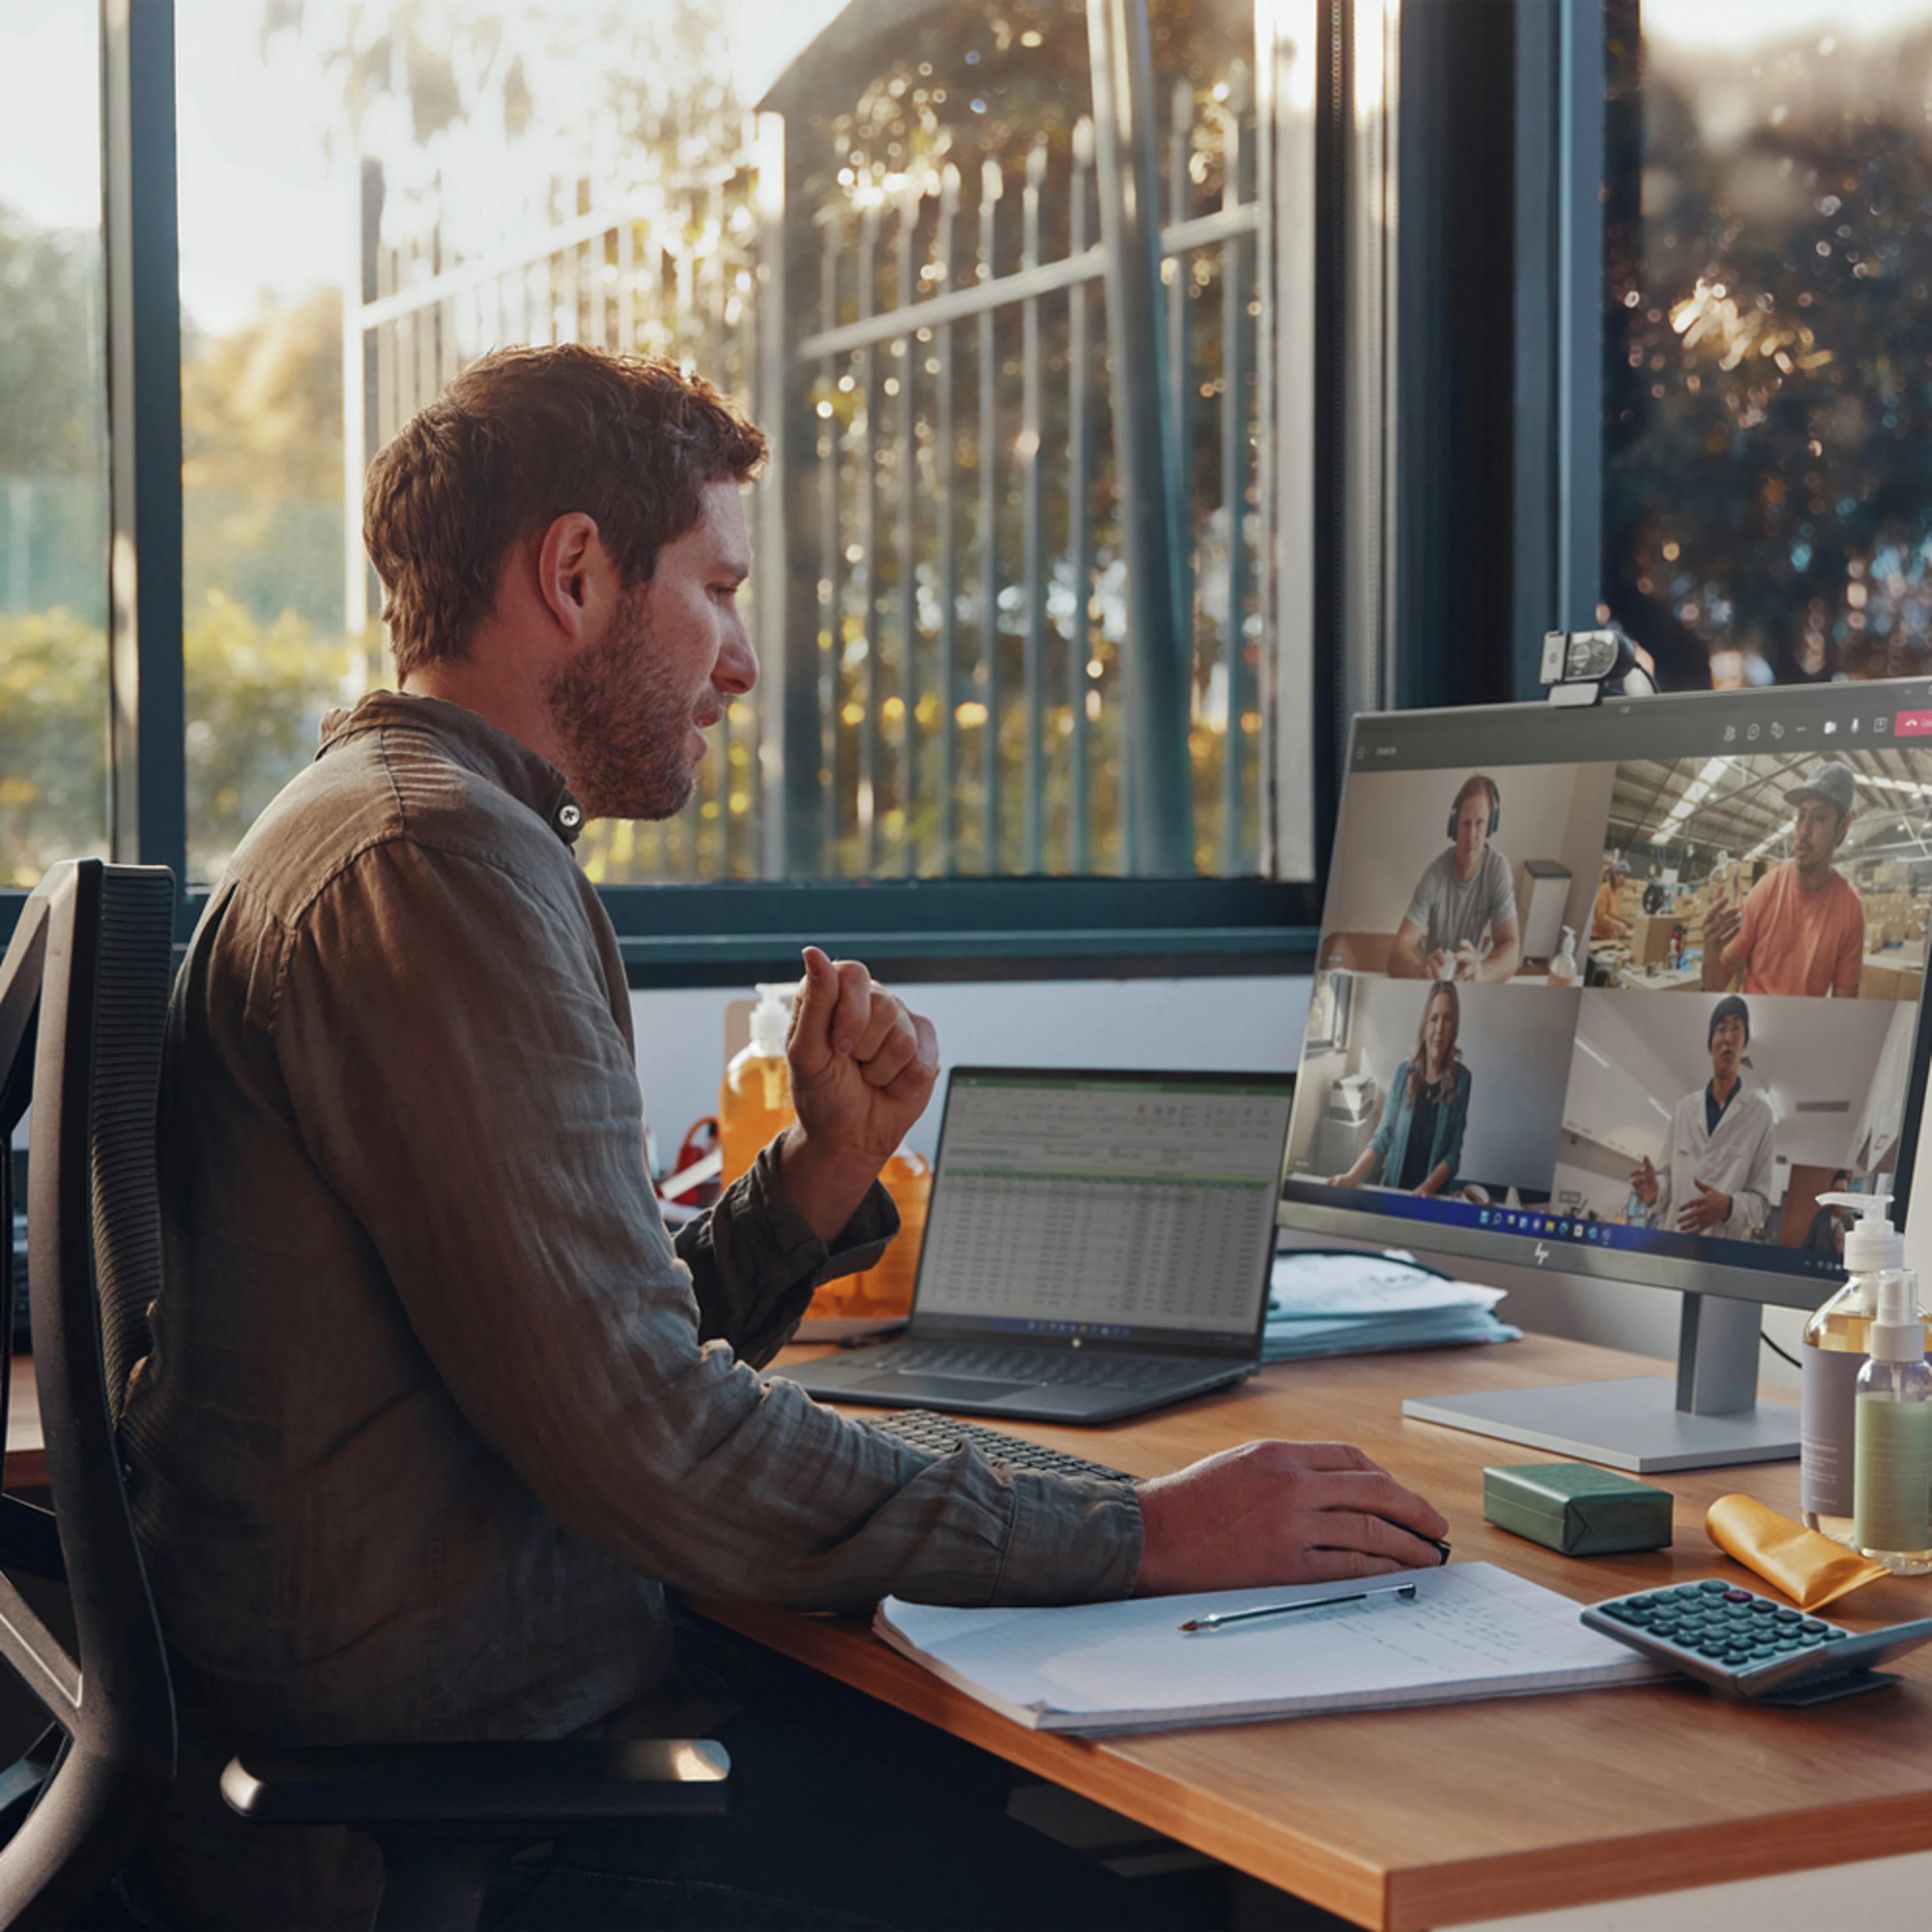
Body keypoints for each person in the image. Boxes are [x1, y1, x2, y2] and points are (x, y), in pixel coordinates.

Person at [119, 345, 1446, 1930]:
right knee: (1163, 1890)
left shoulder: (401, 825)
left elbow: (583, 1355)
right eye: (719, 588)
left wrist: (817, 1175)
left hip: (440, 1735)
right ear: (575, 571)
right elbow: (654, 1440)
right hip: (458, 1814)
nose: (739, 661)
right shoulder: (438, 868)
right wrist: (1142, 1525)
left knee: (1026, 1798)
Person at [1702, 762, 1864, 997]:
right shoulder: (1768, 890)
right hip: (1753, 1024)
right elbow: (1715, 984)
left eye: (1819, 818)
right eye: (1801, 816)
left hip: (1803, 1028)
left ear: (1843, 828)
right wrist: (1711, 951)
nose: (1803, 831)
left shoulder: (1850, 911)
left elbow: (1844, 1007)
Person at [1628, 995, 1775, 1240]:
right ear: (1711, 1045)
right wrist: (1654, 1191)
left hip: (1719, 1253)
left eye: (1737, 1028)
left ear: (1744, 1045)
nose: (1728, 1038)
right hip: (1673, 1243)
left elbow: (1761, 1206)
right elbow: (1666, 1181)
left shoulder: (1760, 1116)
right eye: (1721, 1029)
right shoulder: (1684, 1109)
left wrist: (1728, 1207)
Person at [1327, 983, 1471, 1198]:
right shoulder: (1404, 1074)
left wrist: (1428, 1188)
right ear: (1425, 1026)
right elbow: (1383, 1138)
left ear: (1455, 1028)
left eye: (1448, 1019)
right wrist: (1351, 1177)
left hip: (1432, 1197)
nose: (1440, 1028)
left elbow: (1453, 1154)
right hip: (1395, 1191)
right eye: (1434, 1019)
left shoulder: (1462, 1080)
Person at [1388, 774, 1522, 982]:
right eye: (1466, 824)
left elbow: (1512, 950)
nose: (1472, 836)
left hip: (1471, 975)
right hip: (1433, 977)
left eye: (1480, 824)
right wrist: (1419, 971)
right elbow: (1397, 953)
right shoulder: (1435, 874)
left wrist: (1482, 973)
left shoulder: (1498, 870)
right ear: (1454, 828)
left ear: (1490, 827)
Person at [1803, 1169, 1854, 1257]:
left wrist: (1841, 1249)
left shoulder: (1852, 1224)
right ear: (1831, 1193)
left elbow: (1853, 1258)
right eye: (1836, 1191)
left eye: (1843, 1192)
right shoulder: (1821, 1217)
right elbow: (1807, 1246)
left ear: (1848, 1195)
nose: (1839, 1195)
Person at [1593, 858, 1632, 942]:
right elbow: (1601, 915)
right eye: (1623, 877)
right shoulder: (1605, 890)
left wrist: (1624, 921)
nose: (1624, 881)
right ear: (1616, 876)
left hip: (1608, 937)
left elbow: (1613, 914)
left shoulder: (1617, 893)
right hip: (1598, 936)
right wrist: (1617, 924)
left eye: (1626, 877)